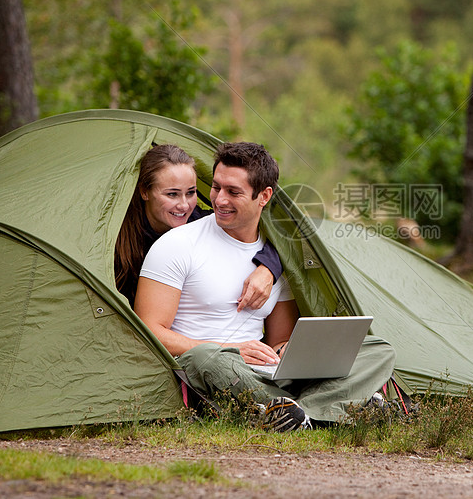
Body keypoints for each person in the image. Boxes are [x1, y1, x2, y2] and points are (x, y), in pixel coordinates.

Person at [134, 142, 396, 432]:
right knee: (204, 359)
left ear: (264, 196)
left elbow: (278, 340)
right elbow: (149, 329)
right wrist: (230, 349)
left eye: (233, 192)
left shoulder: (278, 259)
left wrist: (288, 352)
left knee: (377, 349)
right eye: (216, 188)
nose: (219, 200)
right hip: (217, 368)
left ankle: (295, 412)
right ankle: (332, 408)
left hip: (266, 372)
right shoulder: (176, 244)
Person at [114, 144, 282, 308]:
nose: (184, 205)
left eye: (191, 192)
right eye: (172, 194)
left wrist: (267, 269)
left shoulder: (200, 221)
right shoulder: (118, 235)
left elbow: (275, 238)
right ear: (144, 191)